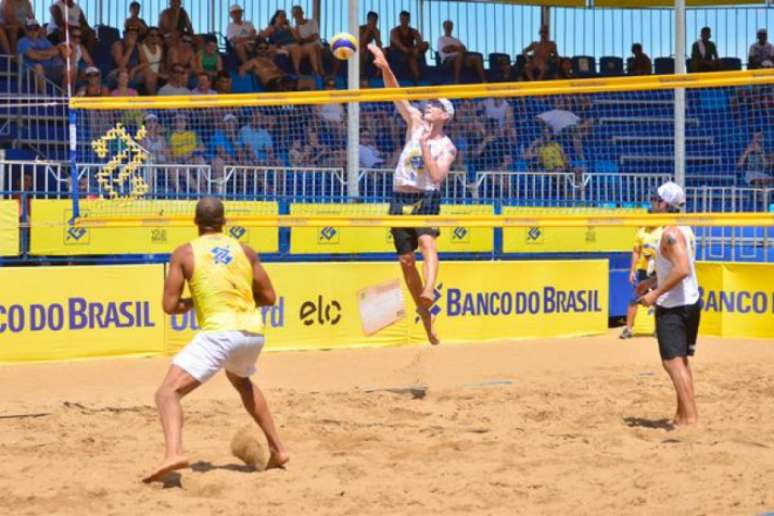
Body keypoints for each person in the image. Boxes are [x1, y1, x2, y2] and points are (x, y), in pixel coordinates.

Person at [142, 197, 289, 483]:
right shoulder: (245, 251)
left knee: (167, 394)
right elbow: (269, 297)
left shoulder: (185, 253)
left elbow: (169, 306)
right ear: (225, 222)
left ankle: (174, 452)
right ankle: (278, 449)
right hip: (252, 333)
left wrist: (194, 303)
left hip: (221, 332)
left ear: (195, 223)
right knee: (241, 381)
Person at [369, 43, 457, 346]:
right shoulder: (416, 122)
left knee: (426, 242)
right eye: (429, 104)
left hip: (425, 194)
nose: (429, 105)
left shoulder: (447, 146)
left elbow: (435, 176)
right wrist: (384, 66)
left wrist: (422, 147)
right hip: (399, 196)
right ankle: (426, 319)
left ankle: (430, 288)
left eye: (435, 105)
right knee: (407, 261)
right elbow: (397, 95)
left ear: (445, 115)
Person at [637, 182, 700, 427]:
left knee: (672, 362)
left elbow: (682, 269)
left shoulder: (671, 234)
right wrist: (651, 282)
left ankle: (691, 417)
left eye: (655, 199)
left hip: (675, 305)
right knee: (680, 361)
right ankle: (682, 415)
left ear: (664, 204)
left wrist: (655, 294)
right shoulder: (684, 229)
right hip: (688, 301)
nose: (652, 203)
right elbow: (678, 267)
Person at [620, 225, 662, 339]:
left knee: (660, 300)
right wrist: (632, 270)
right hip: (643, 271)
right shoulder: (641, 232)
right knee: (634, 298)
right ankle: (628, 329)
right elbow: (636, 252)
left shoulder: (663, 230)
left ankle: (658, 330)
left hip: (659, 271)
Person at [18, 18, 65, 93]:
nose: (33, 31)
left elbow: (56, 51)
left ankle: (64, 96)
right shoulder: (22, 41)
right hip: (29, 71)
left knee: (69, 69)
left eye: (36, 28)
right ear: (26, 30)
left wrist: (39, 52)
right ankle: (43, 95)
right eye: (30, 28)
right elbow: (33, 56)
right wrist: (48, 55)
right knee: (38, 66)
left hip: (48, 68)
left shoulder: (44, 40)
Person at [437, 20, 485, 84]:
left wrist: (452, 47)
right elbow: (445, 49)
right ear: (444, 27)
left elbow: (464, 49)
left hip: (462, 58)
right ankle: (456, 80)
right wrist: (457, 48)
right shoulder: (441, 39)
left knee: (477, 57)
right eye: (447, 26)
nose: (449, 28)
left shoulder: (456, 40)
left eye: (450, 26)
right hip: (448, 60)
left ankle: (483, 80)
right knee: (459, 56)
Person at [389, 11, 428, 83]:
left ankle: (416, 79)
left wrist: (416, 49)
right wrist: (405, 49)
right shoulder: (394, 31)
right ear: (400, 19)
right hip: (397, 52)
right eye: (402, 19)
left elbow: (420, 42)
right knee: (411, 57)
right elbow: (397, 43)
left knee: (426, 44)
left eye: (406, 19)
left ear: (409, 20)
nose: (404, 21)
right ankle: (416, 78)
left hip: (410, 51)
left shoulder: (413, 31)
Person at [289, 5, 323, 77]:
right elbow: (298, 41)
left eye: (298, 12)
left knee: (315, 47)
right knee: (311, 48)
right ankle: (318, 72)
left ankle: (319, 71)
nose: (297, 15)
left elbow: (315, 37)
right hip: (305, 46)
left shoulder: (312, 22)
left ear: (302, 12)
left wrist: (303, 40)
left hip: (315, 44)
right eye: (295, 14)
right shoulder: (296, 28)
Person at [136, 26, 164, 94]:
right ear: (147, 36)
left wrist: (164, 74)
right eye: (152, 35)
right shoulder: (141, 47)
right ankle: (153, 100)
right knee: (149, 74)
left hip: (155, 75)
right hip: (142, 74)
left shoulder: (159, 48)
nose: (154, 37)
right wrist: (159, 75)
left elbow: (161, 65)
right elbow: (145, 64)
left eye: (157, 35)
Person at [359, 11, 381, 77]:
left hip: (369, 50)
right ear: (368, 20)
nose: (373, 22)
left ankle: (379, 73)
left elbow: (379, 45)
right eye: (371, 20)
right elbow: (360, 43)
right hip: (359, 49)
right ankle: (360, 73)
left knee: (383, 51)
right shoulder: (361, 28)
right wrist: (368, 31)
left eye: (375, 21)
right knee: (362, 50)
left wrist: (377, 36)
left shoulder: (376, 30)